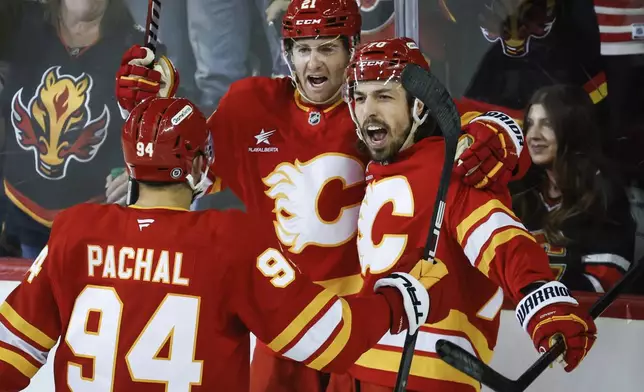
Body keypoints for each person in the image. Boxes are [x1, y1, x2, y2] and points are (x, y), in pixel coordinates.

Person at [114, 1, 528, 390]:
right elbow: (184, 173)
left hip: (365, 327)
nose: (314, 62)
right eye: (303, 49)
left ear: (352, 49)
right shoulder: (250, 106)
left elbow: (489, 128)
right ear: (287, 54)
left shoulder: (379, 106)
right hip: (283, 322)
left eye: (328, 48)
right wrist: (150, 112)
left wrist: (500, 133)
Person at [0, 97, 430, 391]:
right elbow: (325, 339)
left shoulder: (75, 230)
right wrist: (393, 305)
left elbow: (11, 351)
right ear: (200, 163)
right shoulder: (230, 239)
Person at [327, 37, 598, 392]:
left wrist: (543, 300)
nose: (368, 111)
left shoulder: (453, 168)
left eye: (384, 96)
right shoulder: (382, 168)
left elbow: (500, 241)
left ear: (419, 106)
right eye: (360, 98)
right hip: (356, 368)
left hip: (424, 374)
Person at [0, 0, 140, 259]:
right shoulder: (20, 20)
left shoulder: (138, 49)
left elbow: (172, 134)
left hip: (97, 228)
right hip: (22, 218)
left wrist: (142, 173)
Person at [512, 85, 635, 293]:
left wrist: (535, 295)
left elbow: (601, 283)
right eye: (530, 124)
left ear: (573, 129)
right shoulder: (519, 194)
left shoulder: (603, 197)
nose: (533, 135)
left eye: (547, 124)